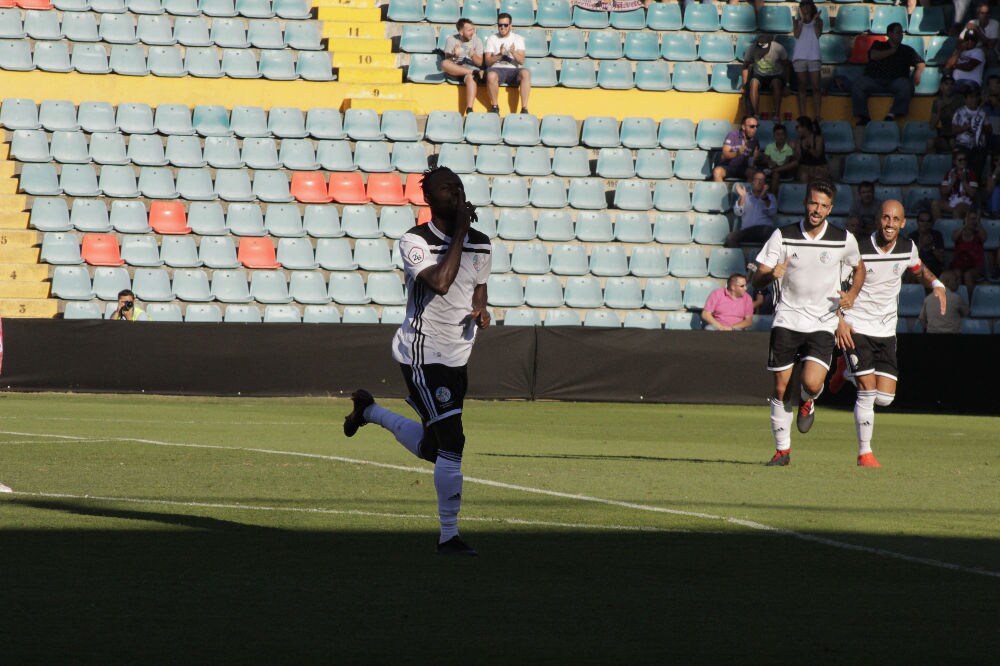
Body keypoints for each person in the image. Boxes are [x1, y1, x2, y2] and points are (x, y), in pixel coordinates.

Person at [342, 166, 492, 557]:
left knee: (433, 446)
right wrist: (459, 230)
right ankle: (449, 538)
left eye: (458, 185)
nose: (455, 191)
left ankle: (369, 411)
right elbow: (440, 282)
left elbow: (478, 287)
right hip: (423, 351)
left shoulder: (481, 243)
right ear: (429, 198)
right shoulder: (415, 240)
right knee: (454, 441)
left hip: (458, 352)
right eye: (446, 187)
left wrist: (481, 310)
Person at [750, 176, 865, 466]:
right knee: (779, 388)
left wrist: (851, 294)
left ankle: (809, 399)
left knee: (812, 383)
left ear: (830, 209)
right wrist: (769, 275)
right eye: (813, 202)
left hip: (822, 322)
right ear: (805, 202)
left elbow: (859, 268)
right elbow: (758, 276)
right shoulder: (783, 235)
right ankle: (782, 451)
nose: (816, 209)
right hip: (788, 318)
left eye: (823, 205)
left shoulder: (842, 238)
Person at [833, 200, 947, 467]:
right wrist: (839, 319)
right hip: (856, 327)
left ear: (903, 223)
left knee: (885, 398)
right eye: (885, 218)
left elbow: (920, 270)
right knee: (867, 393)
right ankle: (865, 453)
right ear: (877, 219)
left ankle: (845, 369)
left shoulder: (907, 247)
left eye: (895, 219)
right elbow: (833, 283)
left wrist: (937, 284)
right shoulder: (858, 249)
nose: (890, 224)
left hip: (886, 331)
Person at [851, 22, 925, 125]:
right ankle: (864, 116)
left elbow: (920, 62)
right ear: (889, 34)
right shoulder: (879, 44)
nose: (901, 35)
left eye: (901, 33)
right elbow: (873, 55)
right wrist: (892, 51)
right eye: (898, 32)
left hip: (896, 82)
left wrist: (918, 71)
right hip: (875, 80)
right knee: (859, 84)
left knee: (907, 85)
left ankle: (892, 114)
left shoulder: (907, 50)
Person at [483, 14, 530, 115]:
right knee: (491, 75)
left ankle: (524, 108)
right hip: (497, 69)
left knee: (526, 73)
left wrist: (513, 52)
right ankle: (495, 107)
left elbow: (521, 60)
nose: (502, 27)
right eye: (500, 25)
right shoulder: (492, 38)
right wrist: (500, 54)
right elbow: (487, 61)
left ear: (510, 25)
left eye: (505, 25)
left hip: (513, 70)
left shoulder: (518, 39)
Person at [442, 19, 484, 115]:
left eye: (473, 29)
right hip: (455, 68)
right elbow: (447, 61)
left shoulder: (477, 40)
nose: (472, 32)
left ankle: (469, 108)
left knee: (470, 78)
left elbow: (480, 63)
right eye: (469, 30)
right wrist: (454, 56)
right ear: (461, 32)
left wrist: (473, 55)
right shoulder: (451, 40)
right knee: (444, 63)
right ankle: (473, 73)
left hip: (470, 67)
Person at [741, 33, 788, 120]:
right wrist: (744, 85)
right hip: (759, 74)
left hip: (775, 74)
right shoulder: (751, 49)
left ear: (770, 42)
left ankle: (776, 115)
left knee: (776, 83)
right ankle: (756, 114)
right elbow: (745, 66)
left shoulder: (778, 48)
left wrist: (786, 85)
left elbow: (786, 66)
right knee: (753, 83)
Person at [726, 169, 777, 247]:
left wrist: (764, 197)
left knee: (771, 234)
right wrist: (743, 197)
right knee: (730, 238)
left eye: (761, 180)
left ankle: (761, 257)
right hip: (747, 230)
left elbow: (772, 212)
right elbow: (737, 212)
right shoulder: (745, 196)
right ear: (752, 182)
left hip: (764, 229)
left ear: (765, 183)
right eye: (756, 179)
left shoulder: (770, 197)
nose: (758, 182)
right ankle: (741, 258)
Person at [942, 208, 987, 293]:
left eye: (975, 219)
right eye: (972, 219)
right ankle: (957, 299)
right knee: (956, 275)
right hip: (959, 264)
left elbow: (984, 238)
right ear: (966, 219)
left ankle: (969, 301)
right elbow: (954, 238)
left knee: (968, 275)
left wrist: (978, 224)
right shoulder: (959, 232)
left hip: (975, 266)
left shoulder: (979, 234)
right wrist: (965, 226)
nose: (973, 221)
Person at [791, 0, 823, 120]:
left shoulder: (819, 21)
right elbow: (797, 34)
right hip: (799, 56)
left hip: (814, 56)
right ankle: (803, 115)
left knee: (816, 87)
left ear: (812, 6)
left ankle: (818, 114)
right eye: (803, 6)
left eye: (807, 5)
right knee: (802, 87)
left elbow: (818, 34)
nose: (805, 8)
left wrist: (814, 20)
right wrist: (802, 20)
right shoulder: (796, 22)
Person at [951, 88, 990, 178]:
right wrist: (964, 128)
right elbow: (953, 130)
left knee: (979, 160)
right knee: (959, 157)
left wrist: (979, 127)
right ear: (966, 99)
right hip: (962, 144)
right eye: (971, 97)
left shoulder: (982, 112)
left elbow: (989, 129)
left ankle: (974, 184)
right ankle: (956, 183)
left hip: (978, 146)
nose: (974, 100)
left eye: (976, 97)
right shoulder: (959, 111)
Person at [932, 149, 978, 220]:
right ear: (955, 162)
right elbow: (944, 192)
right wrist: (952, 181)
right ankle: (939, 227)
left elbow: (973, 194)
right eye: (960, 160)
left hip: (966, 203)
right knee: (935, 204)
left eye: (964, 160)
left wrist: (964, 181)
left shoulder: (971, 174)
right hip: (952, 201)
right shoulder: (949, 173)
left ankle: (956, 230)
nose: (962, 162)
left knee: (958, 209)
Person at [712, 115, 760, 182]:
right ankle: (720, 192)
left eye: (756, 126)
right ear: (743, 127)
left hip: (744, 168)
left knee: (754, 174)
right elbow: (724, 155)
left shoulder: (755, 141)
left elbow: (753, 161)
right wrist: (737, 153)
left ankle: (747, 192)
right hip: (728, 167)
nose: (755, 129)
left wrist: (756, 158)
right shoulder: (733, 135)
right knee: (717, 172)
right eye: (752, 126)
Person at [907, 208, 947, 277]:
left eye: (928, 221)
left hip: (934, 268)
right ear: (917, 222)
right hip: (916, 268)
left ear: (931, 223)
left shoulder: (937, 235)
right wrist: (921, 244)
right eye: (922, 221)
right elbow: (910, 259)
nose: (925, 223)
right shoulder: (912, 236)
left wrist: (932, 247)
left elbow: (942, 259)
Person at [927, 75, 962, 153]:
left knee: (953, 143)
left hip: (958, 134)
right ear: (941, 86)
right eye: (946, 84)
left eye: (951, 84)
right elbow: (932, 126)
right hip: (944, 135)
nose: (949, 87)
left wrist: (946, 108)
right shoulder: (937, 102)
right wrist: (939, 110)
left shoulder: (960, 100)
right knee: (930, 143)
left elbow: (959, 122)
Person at [761, 123, 797, 192]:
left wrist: (777, 167)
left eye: (782, 134)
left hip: (783, 170)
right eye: (778, 134)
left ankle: (772, 196)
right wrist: (770, 162)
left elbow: (786, 163)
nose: (780, 137)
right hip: (770, 169)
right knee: (772, 173)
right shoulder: (770, 146)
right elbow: (765, 160)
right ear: (774, 136)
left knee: (777, 174)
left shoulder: (788, 148)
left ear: (786, 136)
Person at [794, 115, 828, 183]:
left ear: (805, 127)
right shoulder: (798, 141)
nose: (796, 129)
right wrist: (794, 150)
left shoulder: (818, 138)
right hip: (805, 167)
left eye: (797, 127)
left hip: (819, 166)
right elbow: (798, 158)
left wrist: (809, 148)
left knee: (818, 177)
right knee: (804, 176)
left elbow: (817, 155)